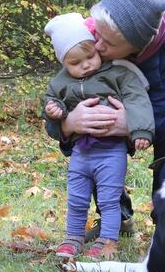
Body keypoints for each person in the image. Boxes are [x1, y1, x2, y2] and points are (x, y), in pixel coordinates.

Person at [45, 0, 165, 241]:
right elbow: (62, 92)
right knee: (94, 120)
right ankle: (117, 216)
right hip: (101, 127)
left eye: (109, 43)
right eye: (96, 36)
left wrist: (130, 125)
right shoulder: (91, 37)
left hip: (159, 116)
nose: (98, 47)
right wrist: (68, 124)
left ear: (139, 45)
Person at [43, 13, 155, 258]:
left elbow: (137, 100)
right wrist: (56, 111)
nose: (85, 65)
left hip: (110, 151)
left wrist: (141, 129)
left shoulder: (117, 74)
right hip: (81, 152)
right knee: (76, 197)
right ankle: (72, 238)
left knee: (108, 199)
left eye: (90, 56)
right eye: (75, 62)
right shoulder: (60, 83)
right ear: (63, 63)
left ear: (96, 48)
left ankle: (107, 242)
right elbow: (52, 102)